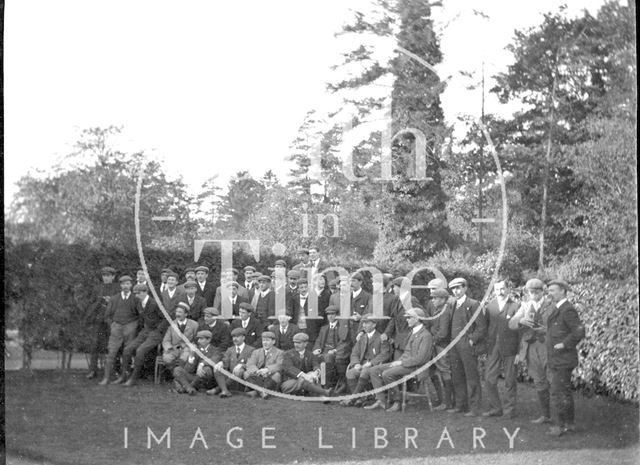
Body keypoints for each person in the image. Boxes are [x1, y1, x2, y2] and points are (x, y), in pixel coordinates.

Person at [365, 307, 433, 411]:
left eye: (409, 318)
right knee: (374, 370)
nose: (407, 320)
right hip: (406, 364)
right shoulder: (413, 332)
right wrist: (398, 361)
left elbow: (421, 359)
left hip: (417, 367)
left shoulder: (426, 335)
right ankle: (381, 400)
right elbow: (407, 352)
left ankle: (397, 402)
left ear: (417, 319)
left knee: (387, 374)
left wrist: (401, 362)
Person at [508, 278, 556, 424]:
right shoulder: (525, 306)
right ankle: (545, 415)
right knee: (539, 380)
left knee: (554, 380)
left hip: (547, 347)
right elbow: (511, 324)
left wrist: (546, 330)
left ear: (543, 291)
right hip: (531, 348)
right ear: (527, 293)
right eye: (531, 291)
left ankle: (561, 418)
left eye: (537, 291)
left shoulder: (552, 306)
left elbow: (560, 328)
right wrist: (520, 321)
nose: (534, 294)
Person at [545, 279, 585, 436]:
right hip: (557, 358)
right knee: (564, 392)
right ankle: (569, 424)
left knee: (557, 392)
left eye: (553, 290)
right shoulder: (558, 308)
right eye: (549, 290)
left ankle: (560, 426)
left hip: (563, 359)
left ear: (562, 291)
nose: (550, 293)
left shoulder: (567, 309)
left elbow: (579, 331)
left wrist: (564, 344)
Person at [447, 277, 487, 417]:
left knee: (472, 377)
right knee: (457, 376)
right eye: (453, 289)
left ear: (465, 288)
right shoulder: (452, 304)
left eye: (458, 288)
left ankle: (475, 408)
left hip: (467, 345)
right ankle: (461, 405)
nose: (456, 291)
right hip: (454, 346)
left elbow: (481, 327)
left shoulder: (473, 304)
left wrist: (471, 340)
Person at [483, 280, 521, 418]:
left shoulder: (515, 306)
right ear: (494, 290)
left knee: (510, 380)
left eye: (503, 289)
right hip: (493, 347)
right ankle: (495, 408)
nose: (500, 291)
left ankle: (509, 411)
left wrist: (518, 352)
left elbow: (520, 331)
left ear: (508, 289)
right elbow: (486, 327)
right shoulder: (490, 307)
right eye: (497, 289)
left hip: (510, 348)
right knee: (489, 378)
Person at [120, 283, 170, 386]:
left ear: (145, 292)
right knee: (127, 350)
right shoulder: (139, 303)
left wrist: (158, 330)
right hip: (145, 331)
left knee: (140, 350)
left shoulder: (155, 303)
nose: (136, 296)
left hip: (156, 333)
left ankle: (134, 378)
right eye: (135, 294)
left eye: (138, 293)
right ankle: (124, 376)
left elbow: (166, 319)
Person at [341, 314, 390, 406]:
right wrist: (356, 364)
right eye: (363, 323)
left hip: (374, 366)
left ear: (374, 325)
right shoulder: (362, 338)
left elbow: (385, 354)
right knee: (350, 373)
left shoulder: (381, 337)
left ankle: (352, 399)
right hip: (361, 364)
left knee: (364, 372)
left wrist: (371, 363)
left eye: (367, 323)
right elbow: (355, 353)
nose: (364, 325)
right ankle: (359, 399)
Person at [99, 275, 138, 385]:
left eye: (128, 284)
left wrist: (132, 326)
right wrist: (113, 325)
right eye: (123, 284)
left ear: (131, 285)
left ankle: (123, 377)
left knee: (127, 352)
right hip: (117, 327)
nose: (125, 286)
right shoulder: (114, 298)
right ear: (120, 285)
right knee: (112, 351)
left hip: (130, 327)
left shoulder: (135, 299)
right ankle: (106, 378)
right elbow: (107, 315)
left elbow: (139, 315)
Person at [85, 266, 120, 379]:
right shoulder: (97, 288)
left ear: (113, 277)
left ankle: (112, 371)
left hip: (112, 321)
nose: (106, 278)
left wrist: (111, 301)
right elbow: (91, 304)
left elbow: (121, 305)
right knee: (95, 345)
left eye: (108, 276)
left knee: (112, 346)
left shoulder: (118, 288)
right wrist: (100, 300)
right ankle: (92, 370)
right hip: (99, 321)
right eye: (104, 275)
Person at [427, 288, 455, 411]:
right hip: (438, 345)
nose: (433, 300)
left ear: (443, 299)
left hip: (442, 346)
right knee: (436, 371)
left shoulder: (444, 311)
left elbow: (443, 333)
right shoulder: (439, 310)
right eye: (432, 298)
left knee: (445, 371)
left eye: (435, 298)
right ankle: (442, 399)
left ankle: (447, 402)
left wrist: (432, 339)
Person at [281, 332, 333, 397]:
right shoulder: (288, 354)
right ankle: (324, 393)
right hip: (289, 383)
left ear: (305, 344)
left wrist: (315, 373)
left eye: (299, 343)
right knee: (303, 379)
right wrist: (304, 375)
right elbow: (289, 368)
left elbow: (316, 365)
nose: (296, 345)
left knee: (313, 377)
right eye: (295, 343)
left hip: (307, 381)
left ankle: (323, 396)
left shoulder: (310, 355)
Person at [172, 330, 223, 395]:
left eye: (201, 339)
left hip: (208, 380)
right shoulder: (196, 351)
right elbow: (188, 370)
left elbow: (213, 360)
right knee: (177, 369)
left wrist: (201, 364)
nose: (198, 341)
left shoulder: (216, 350)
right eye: (198, 339)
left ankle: (186, 388)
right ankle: (189, 389)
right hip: (195, 377)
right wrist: (191, 354)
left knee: (206, 369)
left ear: (209, 340)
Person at [313, 305, 351, 391]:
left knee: (328, 358)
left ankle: (326, 386)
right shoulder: (324, 328)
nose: (330, 316)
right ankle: (317, 385)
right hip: (323, 352)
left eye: (333, 314)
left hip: (336, 353)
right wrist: (317, 349)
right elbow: (318, 341)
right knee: (313, 358)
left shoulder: (342, 327)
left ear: (337, 315)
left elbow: (344, 343)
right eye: (328, 314)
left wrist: (335, 350)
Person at [383, 277, 421, 361]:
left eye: (395, 287)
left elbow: (421, 317)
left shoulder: (412, 300)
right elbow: (393, 318)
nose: (393, 289)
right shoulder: (397, 299)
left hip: (409, 342)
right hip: (399, 342)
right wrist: (387, 333)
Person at [211, 327, 255, 396]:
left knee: (239, 371)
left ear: (243, 337)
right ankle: (225, 391)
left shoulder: (251, 350)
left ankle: (218, 389)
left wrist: (241, 365)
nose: (235, 339)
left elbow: (251, 364)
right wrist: (221, 363)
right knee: (217, 368)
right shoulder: (230, 350)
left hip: (242, 377)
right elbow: (226, 362)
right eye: (233, 337)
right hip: (230, 377)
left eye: (237, 337)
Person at [244, 331, 284, 399]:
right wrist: (257, 371)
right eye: (263, 340)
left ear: (273, 342)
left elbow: (280, 365)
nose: (265, 343)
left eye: (267, 340)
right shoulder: (256, 352)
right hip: (257, 376)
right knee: (246, 373)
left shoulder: (280, 352)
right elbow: (250, 364)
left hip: (269, 376)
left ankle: (257, 392)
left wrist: (267, 369)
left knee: (277, 375)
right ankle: (262, 392)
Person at [161, 302, 198, 369]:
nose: (177, 314)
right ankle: (174, 375)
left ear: (186, 314)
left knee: (185, 358)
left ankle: (179, 376)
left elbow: (197, 340)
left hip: (187, 349)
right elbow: (166, 340)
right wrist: (169, 348)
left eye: (180, 312)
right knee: (167, 358)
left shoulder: (194, 325)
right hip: (174, 349)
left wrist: (192, 347)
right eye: (176, 312)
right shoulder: (172, 325)